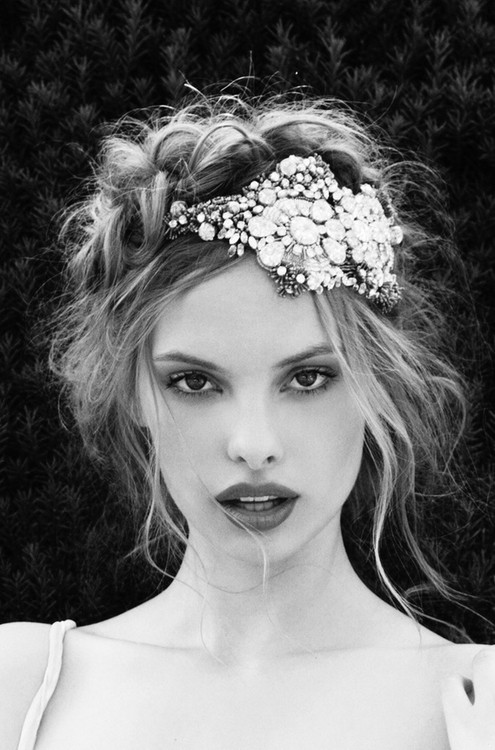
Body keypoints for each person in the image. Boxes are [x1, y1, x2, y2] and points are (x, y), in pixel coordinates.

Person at [0, 95, 494, 750]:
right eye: (194, 382)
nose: (253, 446)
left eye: (307, 378)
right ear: (133, 393)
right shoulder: (25, 686)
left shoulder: (475, 703)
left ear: (375, 384)